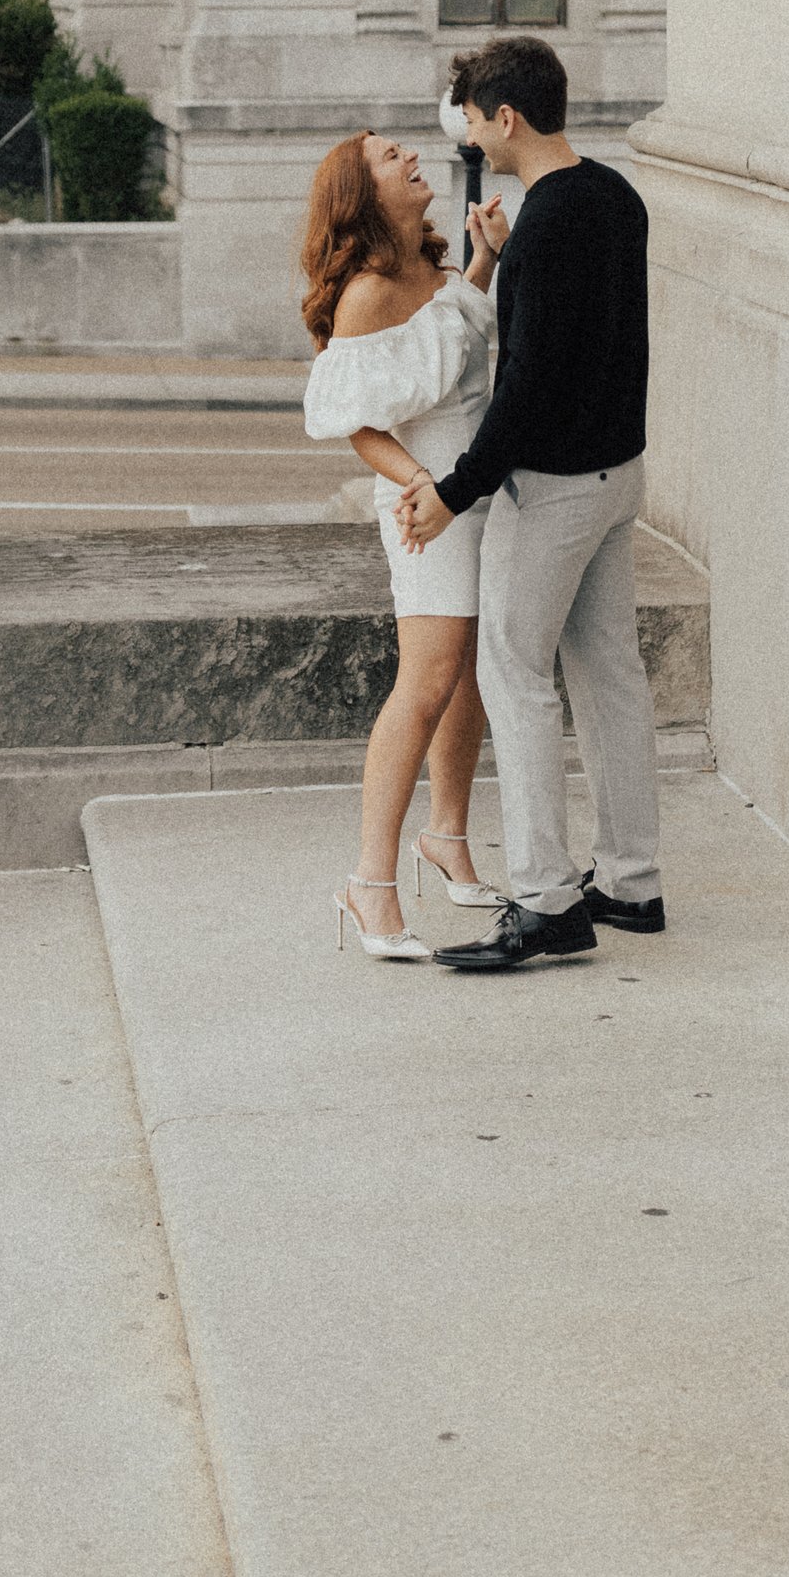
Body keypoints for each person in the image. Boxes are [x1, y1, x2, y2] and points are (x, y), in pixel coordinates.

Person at [398, 33, 663, 971]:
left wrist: (453, 490)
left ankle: (547, 900)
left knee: (514, 675)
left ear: (506, 116)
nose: (470, 140)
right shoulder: (615, 196)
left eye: (472, 122)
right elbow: (607, 347)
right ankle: (631, 881)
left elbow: (527, 387)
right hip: (616, 475)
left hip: (549, 489)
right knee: (608, 672)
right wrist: (500, 261)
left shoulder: (549, 224)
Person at [299, 130, 511, 960]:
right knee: (423, 682)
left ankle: (448, 836)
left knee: (467, 673)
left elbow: (452, 345)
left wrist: (483, 257)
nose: (412, 159)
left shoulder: (429, 266)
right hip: (429, 507)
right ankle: (369, 884)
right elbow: (352, 419)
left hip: (472, 493)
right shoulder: (366, 292)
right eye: (391, 157)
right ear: (362, 191)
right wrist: (427, 487)